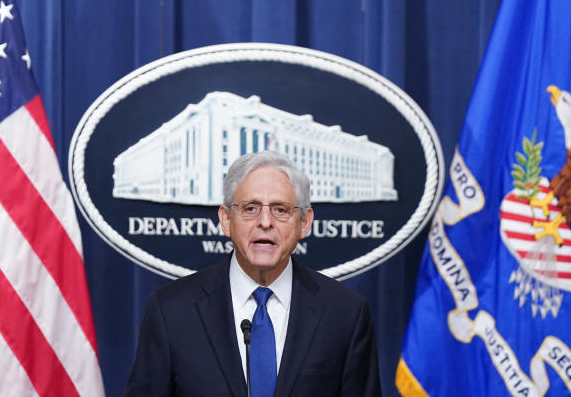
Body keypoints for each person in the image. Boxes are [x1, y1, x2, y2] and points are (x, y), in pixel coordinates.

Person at [124, 150, 381, 396]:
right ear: (226, 220)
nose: (265, 222)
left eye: (280, 209)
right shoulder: (171, 311)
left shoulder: (345, 313)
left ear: (304, 222)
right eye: (250, 208)